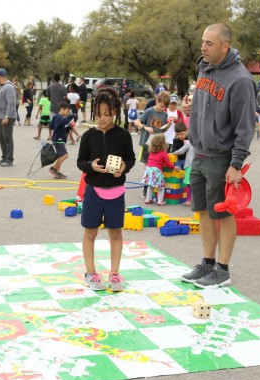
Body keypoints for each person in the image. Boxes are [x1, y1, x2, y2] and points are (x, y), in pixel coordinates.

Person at [181, 23, 255, 289]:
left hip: (221, 157)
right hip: (199, 153)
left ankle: (222, 269)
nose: (203, 47)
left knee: (222, 214)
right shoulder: (204, 67)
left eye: (209, 43)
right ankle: (207, 263)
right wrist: (188, 110)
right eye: (203, 41)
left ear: (225, 46)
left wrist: (236, 164)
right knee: (202, 211)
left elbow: (245, 127)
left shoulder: (241, 79)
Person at [77, 88, 136, 292]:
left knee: (115, 232)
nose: (103, 118)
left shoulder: (123, 135)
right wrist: (90, 166)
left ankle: (114, 273)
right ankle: (90, 273)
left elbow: (131, 158)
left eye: (108, 114)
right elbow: (80, 161)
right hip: (93, 191)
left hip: (116, 192)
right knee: (90, 231)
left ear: (115, 113)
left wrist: (124, 168)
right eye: (100, 114)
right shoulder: (88, 136)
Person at [134, 91, 171, 167]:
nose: (163, 108)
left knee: (157, 164)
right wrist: (145, 127)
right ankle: (147, 178)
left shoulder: (165, 114)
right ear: (157, 101)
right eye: (161, 106)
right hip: (147, 143)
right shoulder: (149, 111)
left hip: (158, 144)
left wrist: (169, 125)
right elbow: (136, 122)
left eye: (165, 107)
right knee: (147, 164)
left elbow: (162, 130)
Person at [141, 134, 174, 206]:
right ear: (163, 144)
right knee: (161, 187)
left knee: (150, 185)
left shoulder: (152, 152)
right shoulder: (163, 153)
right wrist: (174, 167)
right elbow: (168, 165)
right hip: (156, 171)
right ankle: (160, 201)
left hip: (149, 170)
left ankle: (148, 199)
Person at [0, 68, 17, 167]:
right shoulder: (2, 86)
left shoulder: (9, 87)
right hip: (1, 116)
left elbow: (11, 104)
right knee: (1, 138)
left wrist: (7, 117)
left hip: (8, 117)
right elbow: (1, 103)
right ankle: (4, 157)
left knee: (7, 138)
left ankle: (9, 159)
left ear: (0, 76)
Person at [48, 102, 76, 179]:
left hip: (59, 138)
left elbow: (52, 126)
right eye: (67, 111)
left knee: (61, 156)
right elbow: (62, 122)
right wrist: (71, 116)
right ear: (61, 109)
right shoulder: (59, 117)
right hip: (58, 139)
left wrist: (69, 127)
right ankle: (53, 168)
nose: (67, 114)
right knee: (65, 155)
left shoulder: (57, 118)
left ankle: (58, 172)